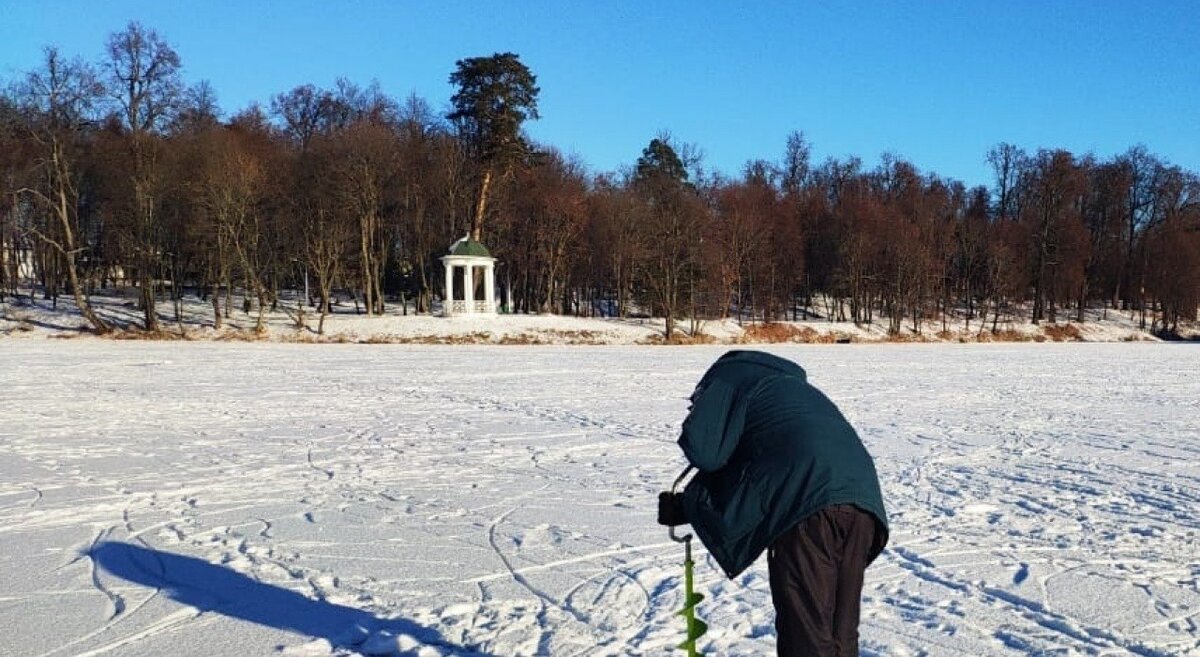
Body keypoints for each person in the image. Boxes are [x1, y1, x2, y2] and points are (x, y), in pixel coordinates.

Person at [657, 350, 888, 656]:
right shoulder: (793, 389)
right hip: (863, 501)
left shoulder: (728, 379)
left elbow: (706, 452)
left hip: (808, 505)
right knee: (839, 632)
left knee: (805, 633)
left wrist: (689, 503)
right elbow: (764, 471)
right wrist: (690, 506)